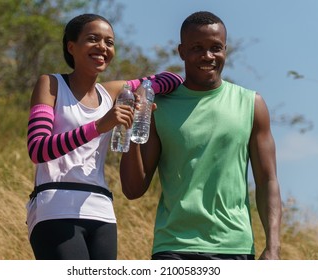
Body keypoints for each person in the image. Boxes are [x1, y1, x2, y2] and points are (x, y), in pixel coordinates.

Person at [120, 11, 282, 260]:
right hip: (173, 248)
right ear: (181, 51)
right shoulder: (158, 106)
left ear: (225, 49)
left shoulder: (251, 104)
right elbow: (133, 189)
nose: (208, 56)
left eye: (215, 48)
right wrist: (132, 125)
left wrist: (273, 247)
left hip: (234, 247)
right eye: (197, 48)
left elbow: (267, 180)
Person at [25, 13, 183, 260]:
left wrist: (143, 92)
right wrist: (99, 125)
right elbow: (38, 149)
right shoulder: (51, 85)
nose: (102, 47)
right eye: (93, 39)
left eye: (109, 42)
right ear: (71, 47)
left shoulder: (110, 92)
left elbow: (172, 78)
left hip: (102, 211)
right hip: (54, 206)